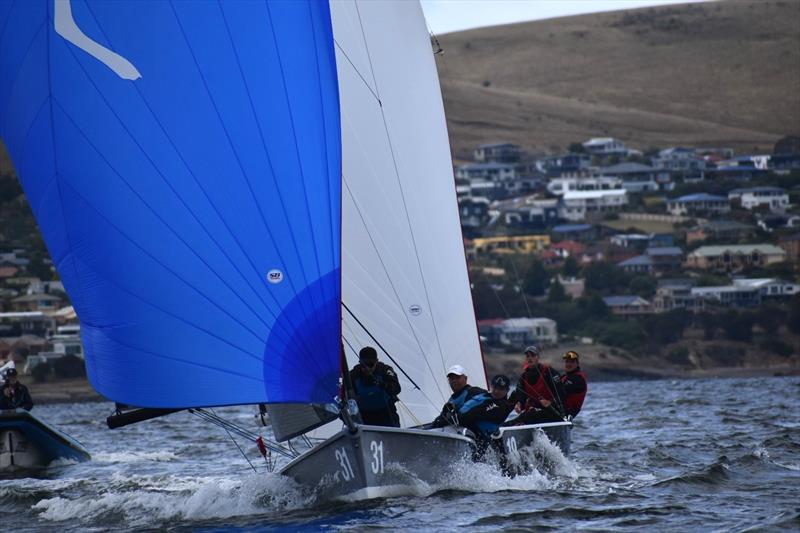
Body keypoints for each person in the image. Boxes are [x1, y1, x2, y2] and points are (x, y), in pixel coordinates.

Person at [509, 345, 565, 424]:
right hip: (534, 412)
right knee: (524, 416)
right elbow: (521, 396)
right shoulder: (524, 377)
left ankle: (502, 428)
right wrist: (519, 405)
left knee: (525, 417)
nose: (530, 358)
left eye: (533, 355)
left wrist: (550, 402)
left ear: (538, 357)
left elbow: (561, 392)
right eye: (528, 356)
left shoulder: (548, 372)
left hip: (552, 412)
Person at [348, 346, 401, 427]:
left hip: (386, 414)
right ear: (359, 362)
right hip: (364, 416)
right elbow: (345, 396)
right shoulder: (353, 375)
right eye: (363, 365)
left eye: (370, 364)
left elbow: (397, 388)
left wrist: (385, 385)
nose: (367, 368)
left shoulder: (385, 370)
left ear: (377, 361)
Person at [427, 365, 488, 429]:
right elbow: (441, 418)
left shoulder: (474, 392)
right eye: (451, 378)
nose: (454, 381)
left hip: (473, 434)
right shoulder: (451, 400)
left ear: (465, 378)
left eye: (457, 377)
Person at [560, 350, 588, 419]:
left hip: (567, 413)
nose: (568, 364)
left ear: (577, 363)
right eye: (567, 362)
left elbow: (561, 392)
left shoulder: (578, 378)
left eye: (572, 362)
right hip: (557, 410)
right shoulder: (564, 377)